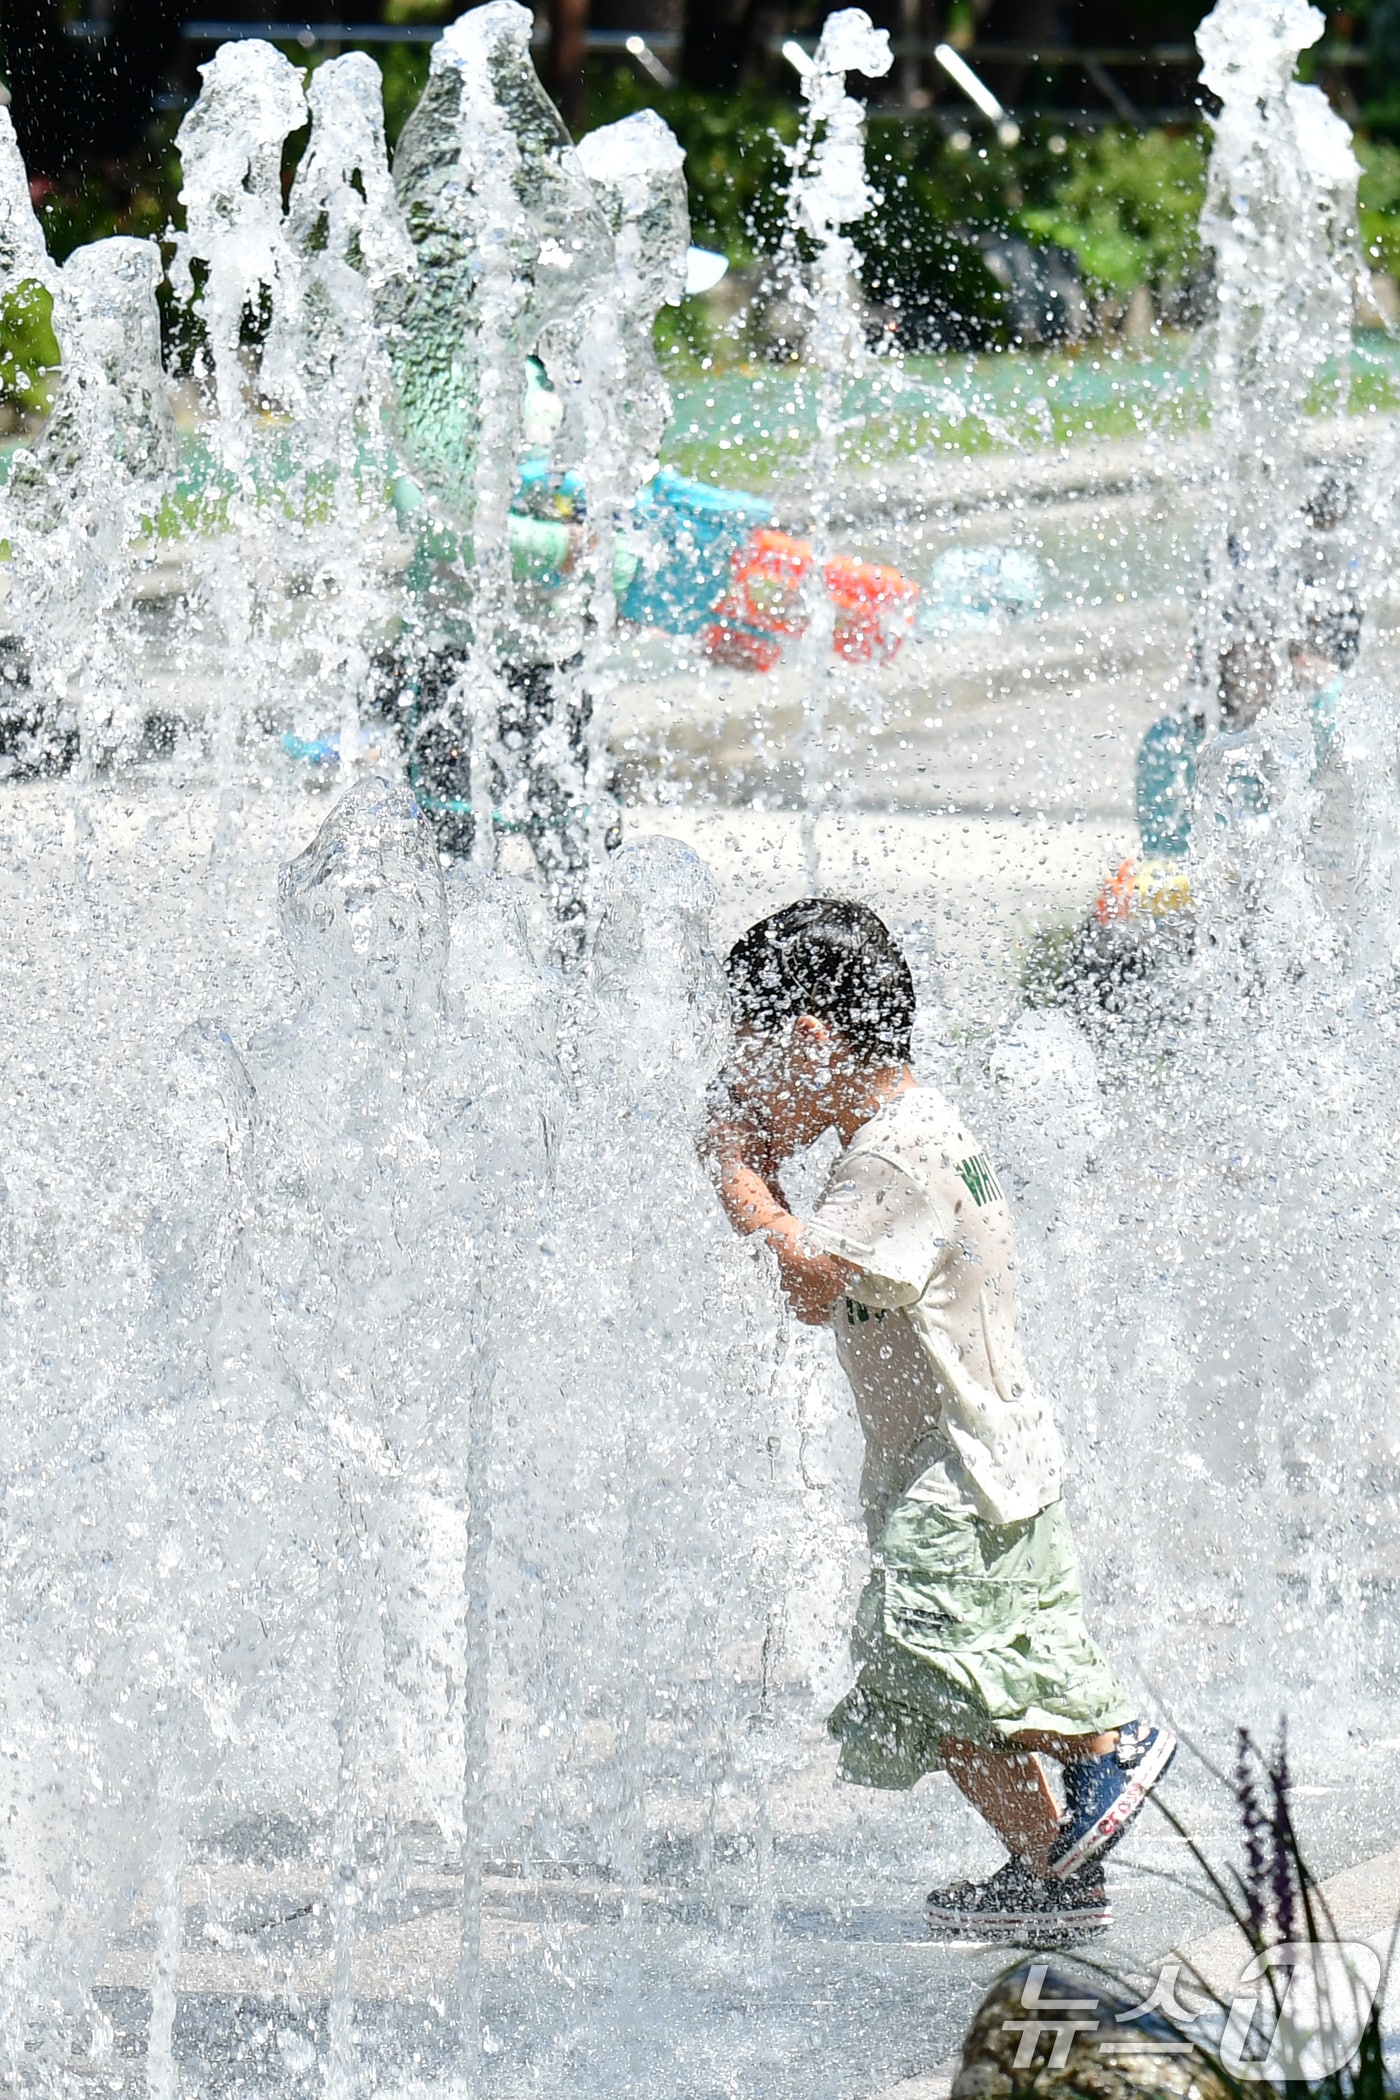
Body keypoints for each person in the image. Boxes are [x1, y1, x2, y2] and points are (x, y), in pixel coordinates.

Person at [709, 899, 1175, 1947]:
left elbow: (811, 1285)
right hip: (976, 1457)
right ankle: (1052, 1870)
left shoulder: (888, 1157)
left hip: (956, 1474)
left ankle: (1112, 1743)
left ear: (809, 1040)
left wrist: (741, 1179)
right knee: (955, 1679)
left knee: (926, 1667)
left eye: (753, 1055)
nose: (746, 1083)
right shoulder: (914, 1128)